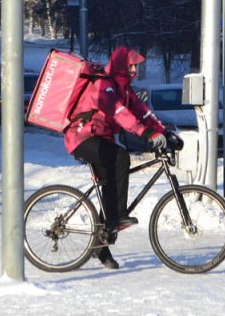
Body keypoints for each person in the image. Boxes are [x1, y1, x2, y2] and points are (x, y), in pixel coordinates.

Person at [65, 47, 167, 270]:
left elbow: (144, 113)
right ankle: (117, 217)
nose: (134, 70)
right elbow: (119, 113)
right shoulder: (104, 85)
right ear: (121, 65)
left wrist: (166, 133)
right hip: (82, 138)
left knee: (111, 183)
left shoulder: (124, 90)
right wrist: (145, 133)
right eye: (130, 65)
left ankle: (101, 247)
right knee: (120, 156)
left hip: (101, 140)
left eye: (135, 66)